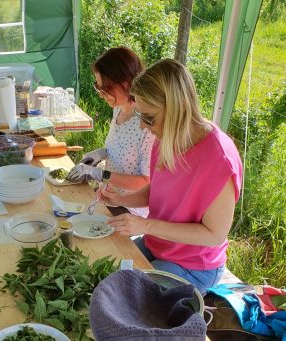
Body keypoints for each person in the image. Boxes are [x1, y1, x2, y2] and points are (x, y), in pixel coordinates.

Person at [101, 59, 243, 293]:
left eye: (149, 118)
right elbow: (157, 189)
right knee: (108, 268)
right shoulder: (165, 137)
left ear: (178, 109)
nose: (144, 128)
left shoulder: (219, 160)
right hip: (158, 245)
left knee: (132, 297)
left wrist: (145, 225)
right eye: (141, 117)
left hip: (194, 265)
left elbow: (214, 235)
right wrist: (121, 200)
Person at [66, 46, 155, 217]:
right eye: (98, 87)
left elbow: (145, 182)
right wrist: (101, 154)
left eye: (105, 88)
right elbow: (120, 149)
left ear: (126, 83)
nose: (101, 94)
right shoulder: (119, 109)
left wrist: (99, 174)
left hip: (129, 209)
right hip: (107, 196)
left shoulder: (148, 125)